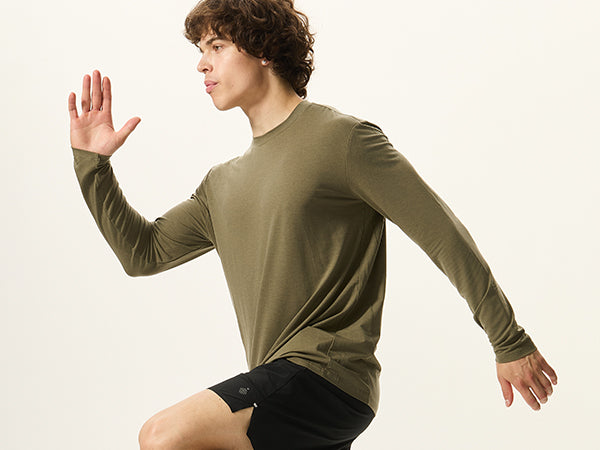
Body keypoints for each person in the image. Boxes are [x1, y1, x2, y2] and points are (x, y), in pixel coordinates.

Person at [67, 0, 558, 449]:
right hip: (279, 386)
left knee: (163, 435)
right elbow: (143, 253)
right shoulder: (221, 185)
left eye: (216, 46)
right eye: (200, 50)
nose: (202, 64)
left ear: (262, 49)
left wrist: (508, 340)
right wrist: (93, 165)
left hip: (327, 377)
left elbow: (443, 236)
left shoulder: (343, 141)